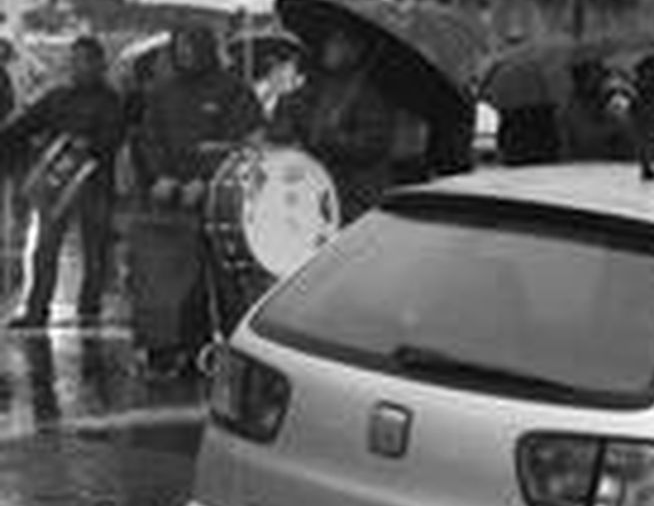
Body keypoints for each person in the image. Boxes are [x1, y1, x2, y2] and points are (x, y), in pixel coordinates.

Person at [133, 26, 263, 373]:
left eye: (191, 45)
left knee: (229, 284)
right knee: (175, 282)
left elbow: (245, 145)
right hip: (173, 204)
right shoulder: (162, 93)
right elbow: (148, 140)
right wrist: (160, 176)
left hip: (223, 203)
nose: (185, 52)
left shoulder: (234, 90)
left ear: (206, 48)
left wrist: (207, 181)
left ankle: (241, 356)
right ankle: (187, 350)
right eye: (180, 46)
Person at [0, 35, 125, 328]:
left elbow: (114, 137)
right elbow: (25, 124)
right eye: (73, 60)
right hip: (57, 183)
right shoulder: (57, 97)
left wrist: (90, 144)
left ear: (98, 64)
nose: (76, 66)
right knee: (45, 248)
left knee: (95, 252)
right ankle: (36, 308)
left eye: (82, 60)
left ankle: (89, 309)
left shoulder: (111, 100)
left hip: (95, 183)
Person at [268, 26, 398, 221]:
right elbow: (301, 126)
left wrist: (331, 139)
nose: (328, 48)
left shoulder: (371, 94)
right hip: (320, 189)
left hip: (356, 197)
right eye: (329, 42)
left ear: (354, 50)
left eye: (337, 43)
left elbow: (374, 143)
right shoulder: (323, 85)